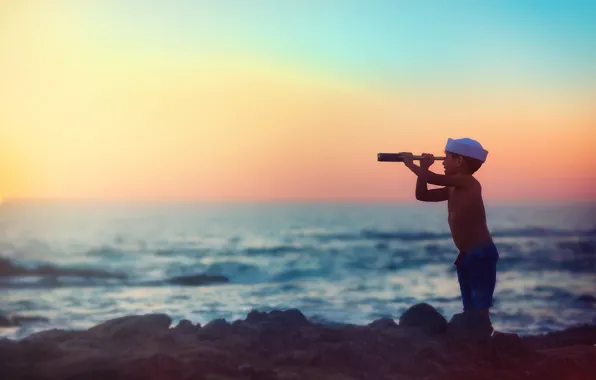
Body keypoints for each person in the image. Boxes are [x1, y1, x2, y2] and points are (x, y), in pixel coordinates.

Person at [401, 137, 499, 337]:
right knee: (469, 307)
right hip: (466, 254)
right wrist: (421, 170)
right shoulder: (453, 187)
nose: (443, 162)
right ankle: (471, 341)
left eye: (446, 158)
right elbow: (423, 194)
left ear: (460, 161)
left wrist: (414, 164)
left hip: (481, 253)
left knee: (480, 308)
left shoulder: (467, 182)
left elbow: (432, 177)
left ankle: (482, 342)